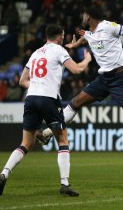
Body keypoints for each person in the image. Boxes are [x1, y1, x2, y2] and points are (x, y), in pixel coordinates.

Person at [40, 6, 123, 178]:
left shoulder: (109, 26)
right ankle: (48, 133)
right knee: (76, 102)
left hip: (121, 77)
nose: (83, 16)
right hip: (104, 79)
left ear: (90, 16)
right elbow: (89, 38)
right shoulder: (89, 33)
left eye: (85, 13)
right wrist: (77, 43)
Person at [0, 24, 92, 197]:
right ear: (59, 37)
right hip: (48, 99)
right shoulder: (58, 50)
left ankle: (4, 173)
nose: (63, 39)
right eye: (63, 36)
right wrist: (87, 59)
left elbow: (22, 81)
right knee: (62, 139)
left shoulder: (35, 53)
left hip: (31, 98)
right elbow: (77, 69)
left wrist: (37, 85)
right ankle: (65, 184)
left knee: (25, 143)